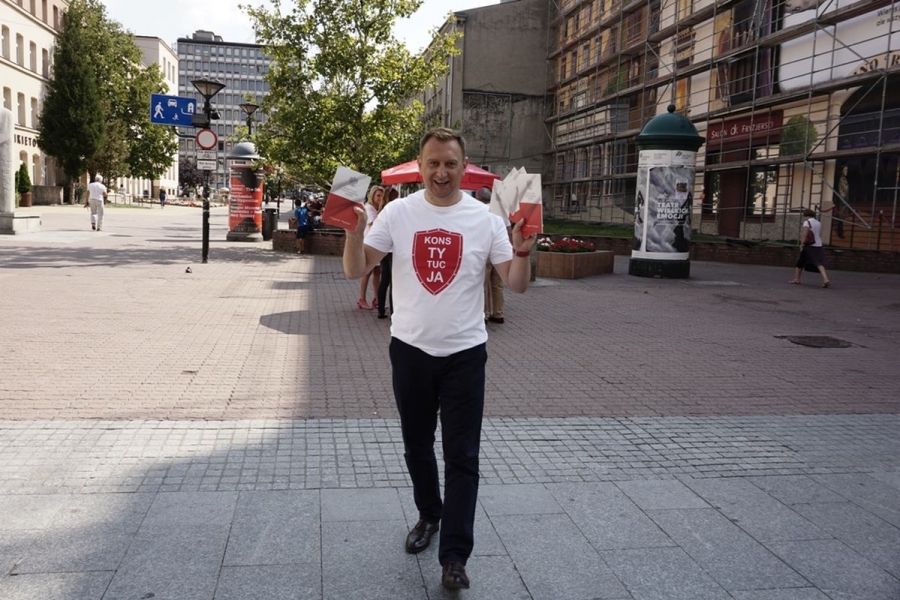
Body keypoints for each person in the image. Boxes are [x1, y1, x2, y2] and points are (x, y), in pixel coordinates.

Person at [342, 127, 535, 590]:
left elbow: (516, 283)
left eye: (450, 163)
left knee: (462, 456)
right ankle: (430, 514)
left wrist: (523, 252)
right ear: (421, 166)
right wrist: (353, 232)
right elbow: (356, 268)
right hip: (410, 351)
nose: (441, 172)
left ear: (463, 167)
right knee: (416, 445)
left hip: (465, 354)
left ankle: (455, 556)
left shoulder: (486, 218)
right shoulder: (398, 213)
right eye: (433, 163)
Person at [476, 186, 506, 324]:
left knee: (482, 284)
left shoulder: (479, 211)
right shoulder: (500, 210)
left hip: (486, 251)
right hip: (500, 251)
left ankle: (484, 313)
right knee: (497, 285)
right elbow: (508, 229)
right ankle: (498, 313)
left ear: (479, 197)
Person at [356, 186, 384, 310]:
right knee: (367, 272)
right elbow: (374, 225)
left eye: (382, 196)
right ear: (372, 196)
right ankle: (362, 299)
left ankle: (376, 299)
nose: (380, 198)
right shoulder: (369, 208)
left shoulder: (377, 209)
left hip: (377, 244)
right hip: (369, 244)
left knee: (377, 272)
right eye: (378, 195)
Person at [789, 208, 831, 287]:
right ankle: (825, 279)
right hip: (818, 244)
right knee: (819, 262)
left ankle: (797, 279)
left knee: (800, 262)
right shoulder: (818, 223)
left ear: (805, 215)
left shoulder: (807, 222)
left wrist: (802, 244)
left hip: (809, 245)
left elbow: (805, 234)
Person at [376, 186, 399, 319]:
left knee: (384, 281)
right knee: (393, 282)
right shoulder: (394, 210)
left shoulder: (381, 210)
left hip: (384, 250)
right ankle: (393, 312)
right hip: (393, 250)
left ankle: (380, 310)